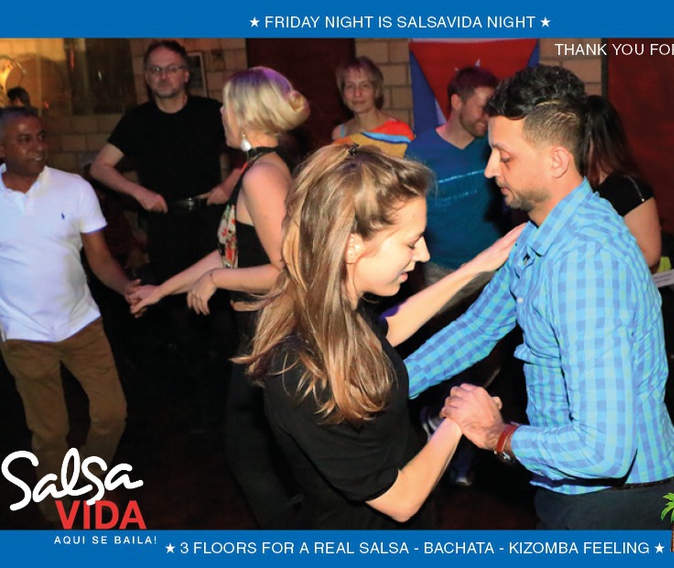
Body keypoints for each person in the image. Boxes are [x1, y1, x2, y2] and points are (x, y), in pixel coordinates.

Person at [406, 65, 674, 530]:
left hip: (616, 503)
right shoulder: (541, 234)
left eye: (504, 156)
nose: (490, 170)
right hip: (579, 490)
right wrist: (388, 387)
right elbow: (478, 327)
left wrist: (497, 435)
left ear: (556, 161)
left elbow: (604, 451)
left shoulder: (583, 264)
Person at [241, 144, 521, 529]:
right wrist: (458, 421)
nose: (423, 254)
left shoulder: (334, 311)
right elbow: (401, 500)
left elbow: (392, 326)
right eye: (410, 242)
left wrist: (479, 266)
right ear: (352, 245)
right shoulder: (299, 369)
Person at [128, 67, 310, 528]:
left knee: (250, 456)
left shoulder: (261, 175)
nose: (222, 113)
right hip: (262, 336)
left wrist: (218, 280)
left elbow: (288, 274)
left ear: (246, 113)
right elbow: (230, 251)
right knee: (270, 454)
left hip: (271, 337)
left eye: (227, 105)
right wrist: (162, 290)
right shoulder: (260, 167)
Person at [90, 39, 239, 431]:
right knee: (179, 315)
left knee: (223, 314)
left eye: (171, 68)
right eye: (155, 70)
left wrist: (229, 185)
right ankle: (199, 401)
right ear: (146, 77)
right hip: (166, 225)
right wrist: (137, 192)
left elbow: (253, 147)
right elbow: (100, 167)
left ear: (186, 74)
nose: (163, 76)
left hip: (209, 219)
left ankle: (232, 400)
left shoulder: (210, 111)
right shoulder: (137, 120)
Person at [0, 107, 137, 524]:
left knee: (112, 414)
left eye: (41, 136)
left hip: (82, 324)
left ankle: (89, 480)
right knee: (49, 431)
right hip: (23, 333)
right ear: (2, 147)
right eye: (25, 139)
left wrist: (127, 287)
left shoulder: (74, 188)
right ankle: (57, 513)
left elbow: (100, 258)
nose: (38, 147)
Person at [405, 65, 510, 487]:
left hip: (491, 272)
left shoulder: (493, 145)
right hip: (441, 273)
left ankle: (458, 438)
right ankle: (443, 433)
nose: (488, 116)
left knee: (490, 363)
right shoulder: (422, 150)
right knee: (449, 360)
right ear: (455, 102)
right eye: (482, 107)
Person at [586, 94, 661, 269]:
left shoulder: (628, 188)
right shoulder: (576, 185)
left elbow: (649, 254)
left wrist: (595, 265)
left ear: (598, 141)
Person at [331, 56, 414, 157]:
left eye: (364, 85)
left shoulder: (400, 133)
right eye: (350, 86)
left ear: (376, 91)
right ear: (343, 94)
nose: (357, 93)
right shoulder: (340, 135)